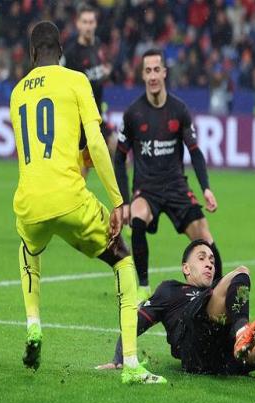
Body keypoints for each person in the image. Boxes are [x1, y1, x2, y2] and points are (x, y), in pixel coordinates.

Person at [9, 21, 165, 384]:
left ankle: (33, 324)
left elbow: (37, 151)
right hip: (70, 198)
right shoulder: (76, 80)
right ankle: (131, 364)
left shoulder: (17, 93)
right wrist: (118, 201)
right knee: (122, 260)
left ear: (32, 53)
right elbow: (95, 143)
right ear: (61, 51)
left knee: (28, 249)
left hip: (29, 203)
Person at [97, 240, 255, 375]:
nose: (209, 263)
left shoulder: (217, 293)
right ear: (186, 268)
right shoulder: (170, 290)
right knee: (241, 273)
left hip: (224, 360)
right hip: (193, 347)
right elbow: (134, 323)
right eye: (201, 258)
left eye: (211, 259)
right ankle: (243, 333)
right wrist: (119, 358)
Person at [114, 48, 223, 301]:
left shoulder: (179, 110)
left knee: (205, 237)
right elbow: (119, 159)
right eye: (148, 71)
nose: (153, 75)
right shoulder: (133, 114)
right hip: (147, 189)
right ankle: (143, 286)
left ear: (164, 72)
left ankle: (218, 293)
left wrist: (206, 188)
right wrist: (124, 202)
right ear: (143, 75)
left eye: (156, 70)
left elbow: (195, 152)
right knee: (137, 216)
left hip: (176, 187)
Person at [64, 3, 116, 168]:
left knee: (116, 148)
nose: (88, 26)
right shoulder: (71, 54)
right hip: (80, 119)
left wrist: (107, 72)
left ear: (95, 24)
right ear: (78, 24)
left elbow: (103, 72)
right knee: (82, 169)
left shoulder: (98, 46)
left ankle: (121, 184)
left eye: (91, 22)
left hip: (96, 115)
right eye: (84, 22)